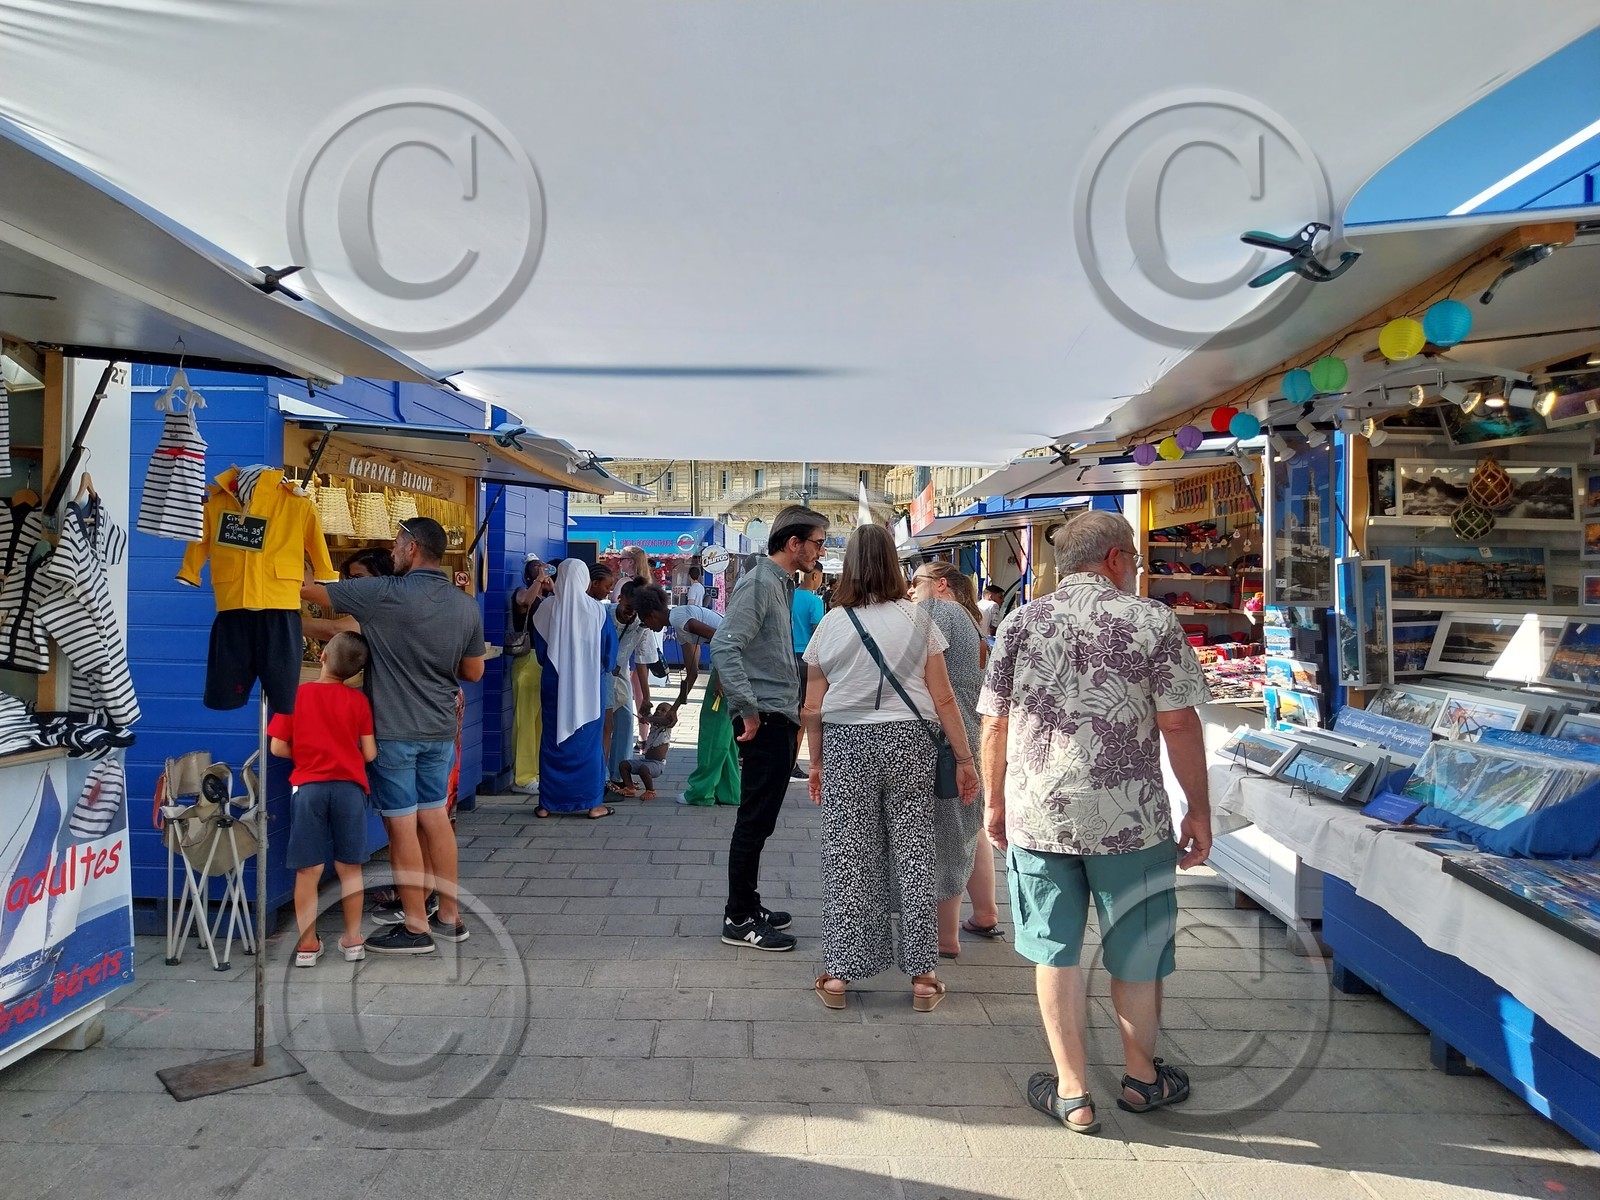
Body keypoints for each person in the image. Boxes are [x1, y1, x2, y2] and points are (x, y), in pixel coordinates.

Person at [978, 511, 1212, 1135]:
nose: (1135, 566)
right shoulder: (1152, 621)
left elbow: (995, 721)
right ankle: (1141, 1078)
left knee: (1054, 953)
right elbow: (1179, 722)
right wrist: (1198, 808)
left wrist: (995, 803)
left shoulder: (1021, 622)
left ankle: (1073, 1093)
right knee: (1138, 949)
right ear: (1113, 559)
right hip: (1130, 817)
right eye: (1132, 556)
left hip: (1041, 815)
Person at [802, 524, 979, 1010]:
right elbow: (944, 697)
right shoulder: (919, 619)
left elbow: (812, 707)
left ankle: (839, 975)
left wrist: (815, 763)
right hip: (910, 742)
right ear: (893, 565)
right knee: (915, 851)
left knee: (848, 855)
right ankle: (923, 977)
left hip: (846, 743)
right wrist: (965, 759)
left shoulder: (831, 623)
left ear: (850, 566)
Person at [303, 517, 485, 955]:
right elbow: (473, 671)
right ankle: (450, 916)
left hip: (395, 728)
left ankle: (417, 926)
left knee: (402, 827)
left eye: (398, 544)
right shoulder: (465, 606)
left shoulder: (381, 592)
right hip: (440, 728)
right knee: (436, 818)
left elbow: (309, 591)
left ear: (412, 547)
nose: (393, 551)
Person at [710, 505, 829, 951]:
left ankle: (747, 903)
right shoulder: (762, 582)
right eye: (817, 543)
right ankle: (739, 918)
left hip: (779, 714)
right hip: (766, 717)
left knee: (761, 822)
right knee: (754, 820)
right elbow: (725, 645)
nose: (820, 552)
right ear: (793, 543)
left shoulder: (780, 583)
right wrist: (747, 708)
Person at [268, 631, 378, 967]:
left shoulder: (296, 695)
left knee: (309, 869)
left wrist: (307, 756)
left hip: (309, 788)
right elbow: (370, 754)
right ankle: (353, 940)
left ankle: (307, 944)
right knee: (350, 867)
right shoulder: (359, 702)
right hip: (350, 789)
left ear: (322, 656)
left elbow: (277, 747)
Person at [910, 561, 1002, 957]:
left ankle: (945, 938)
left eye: (916, 582)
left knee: (946, 833)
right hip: (970, 733)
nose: (910, 591)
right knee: (968, 827)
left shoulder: (939, 611)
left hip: (947, 738)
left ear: (940, 584)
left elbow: (911, 665)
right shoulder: (969, 618)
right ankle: (985, 913)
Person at [633, 587, 737, 807]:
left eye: (645, 622)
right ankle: (730, 792)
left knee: (713, 730)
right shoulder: (679, 619)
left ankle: (700, 793)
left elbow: (720, 637)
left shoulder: (680, 619)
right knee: (723, 734)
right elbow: (692, 673)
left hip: (730, 664)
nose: (648, 627)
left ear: (651, 615)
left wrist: (720, 676)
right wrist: (674, 709)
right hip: (733, 662)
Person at [531, 557, 617, 819]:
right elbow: (609, 655)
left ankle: (547, 804)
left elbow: (541, 654)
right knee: (588, 742)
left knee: (552, 739)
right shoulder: (597, 611)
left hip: (554, 683)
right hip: (590, 684)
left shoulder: (545, 608)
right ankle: (593, 804)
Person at [509, 556, 553, 797]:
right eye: (536, 568)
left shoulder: (547, 598)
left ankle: (536, 771)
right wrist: (538, 581)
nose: (542, 570)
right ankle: (523, 776)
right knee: (525, 721)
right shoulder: (522, 592)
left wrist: (552, 586)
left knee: (539, 722)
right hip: (527, 659)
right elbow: (524, 601)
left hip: (544, 660)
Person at [789, 567, 825, 778]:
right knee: (803, 713)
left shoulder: (788, 597)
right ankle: (792, 763)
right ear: (815, 576)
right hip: (805, 660)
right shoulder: (815, 601)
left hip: (786, 657)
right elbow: (818, 633)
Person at [619, 701, 677, 799]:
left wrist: (648, 718)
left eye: (663, 710)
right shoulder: (653, 721)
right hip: (646, 761)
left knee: (643, 769)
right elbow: (643, 713)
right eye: (657, 709)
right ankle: (629, 788)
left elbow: (667, 721)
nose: (659, 711)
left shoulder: (667, 726)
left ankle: (650, 791)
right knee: (624, 765)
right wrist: (645, 708)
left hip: (658, 764)